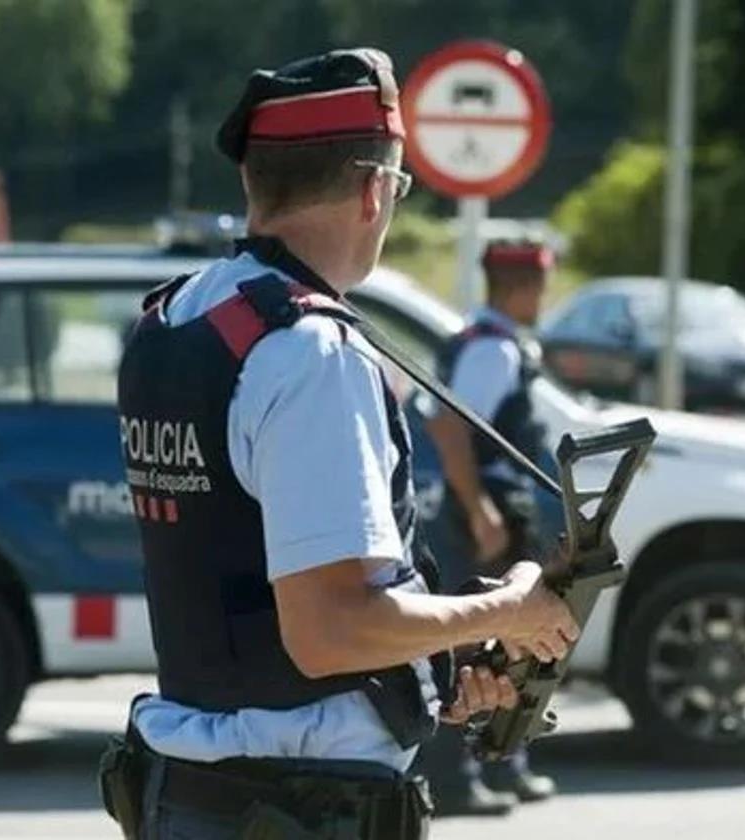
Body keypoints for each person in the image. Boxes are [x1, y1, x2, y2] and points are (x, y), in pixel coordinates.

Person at [107, 49, 579, 839]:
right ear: (372, 189)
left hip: (195, 791)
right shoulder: (310, 354)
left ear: (254, 182)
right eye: (398, 189)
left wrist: (437, 665)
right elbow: (327, 632)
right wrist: (507, 610)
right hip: (294, 805)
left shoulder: (177, 320)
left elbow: (250, 593)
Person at [418, 239, 557, 816]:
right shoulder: (492, 350)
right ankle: (454, 778)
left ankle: (504, 763)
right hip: (483, 507)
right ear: (521, 288)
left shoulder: (486, 339)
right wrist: (480, 511)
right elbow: (450, 429)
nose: (542, 299)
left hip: (493, 503)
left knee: (512, 644)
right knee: (471, 645)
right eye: (540, 287)